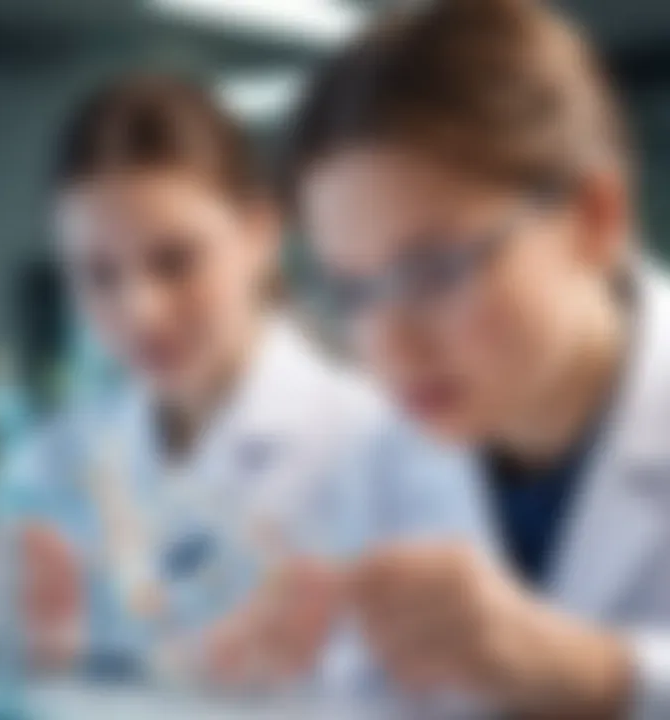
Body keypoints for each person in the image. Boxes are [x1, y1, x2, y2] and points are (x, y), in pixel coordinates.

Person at [206, 0, 670, 717]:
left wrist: (606, 675)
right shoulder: (380, 458)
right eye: (353, 291)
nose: (389, 346)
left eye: (436, 269)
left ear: (594, 217)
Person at [0, 76, 482, 681]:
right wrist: (5, 648)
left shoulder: (386, 443)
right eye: (98, 276)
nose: (140, 311)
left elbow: (465, 690)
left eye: (176, 261)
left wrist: (316, 679)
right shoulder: (51, 464)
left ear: (259, 233)